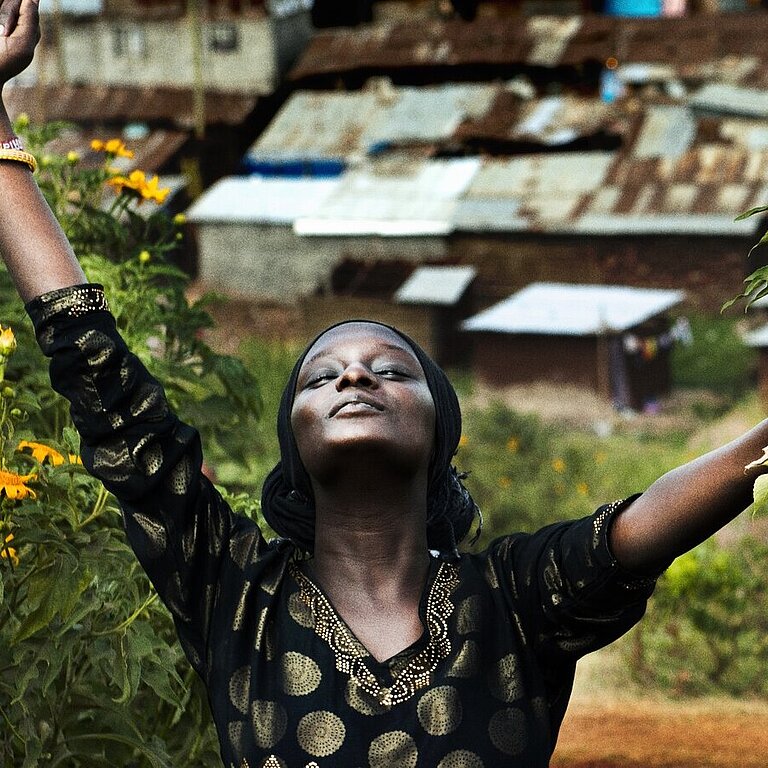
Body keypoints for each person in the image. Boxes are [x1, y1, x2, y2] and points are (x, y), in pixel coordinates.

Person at [1, 2, 766, 766]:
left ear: (440, 429)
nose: (356, 373)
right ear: (293, 444)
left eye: (392, 369)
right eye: (321, 377)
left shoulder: (512, 601)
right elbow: (98, 370)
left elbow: (636, 531)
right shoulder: (235, 594)